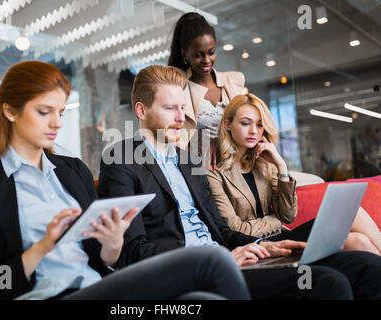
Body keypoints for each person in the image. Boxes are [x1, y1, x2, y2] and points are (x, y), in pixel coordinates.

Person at [0, 60, 253, 300]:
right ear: (10, 112)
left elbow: (105, 259)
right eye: (44, 112)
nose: (57, 123)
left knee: (204, 299)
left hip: (101, 288)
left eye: (61, 112)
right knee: (212, 262)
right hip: (51, 294)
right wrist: (41, 248)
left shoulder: (72, 171)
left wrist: (112, 242)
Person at [98, 64, 381, 300]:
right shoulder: (121, 160)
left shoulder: (188, 160)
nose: (179, 117)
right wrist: (215, 260)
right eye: (170, 108)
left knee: (366, 265)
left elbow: (221, 229)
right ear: (140, 110)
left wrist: (261, 245)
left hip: (229, 255)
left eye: (182, 108)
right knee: (329, 283)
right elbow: (133, 249)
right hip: (193, 269)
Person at [206, 93, 381, 256]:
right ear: (228, 125)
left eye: (259, 124)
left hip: (283, 236)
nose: (254, 131)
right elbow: (235, 229)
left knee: (359, 239)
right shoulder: (215, 173)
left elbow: (288, 215)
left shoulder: (266, 166)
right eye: (246, 123)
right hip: (258, 246)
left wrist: (281, 166)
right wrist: (275, 221)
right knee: (352, 221)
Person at [168, 12, 245, 168]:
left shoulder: (234, 82)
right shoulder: (177, 88)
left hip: (235, 168)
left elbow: (247, 127)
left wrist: (219, 140)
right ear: (185, 54)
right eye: (198, 55)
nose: (207, 60)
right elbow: (171, 137)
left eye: (211, 52)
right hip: (197, 171)